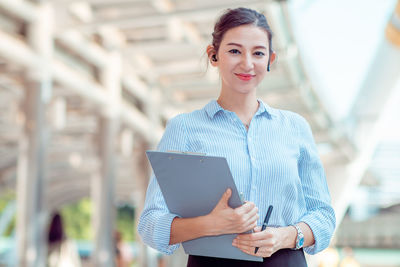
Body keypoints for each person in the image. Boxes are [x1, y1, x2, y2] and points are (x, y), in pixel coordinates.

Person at [138, 7, 336, 267]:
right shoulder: (184, 128)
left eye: (258, 53)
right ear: (213, 55)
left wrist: (285, 236)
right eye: (234, 51)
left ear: (270, 59)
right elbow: (151, 223)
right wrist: (211, 224)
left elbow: (323, 216)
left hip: (283, 260)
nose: (247, 63)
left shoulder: (295, 128)